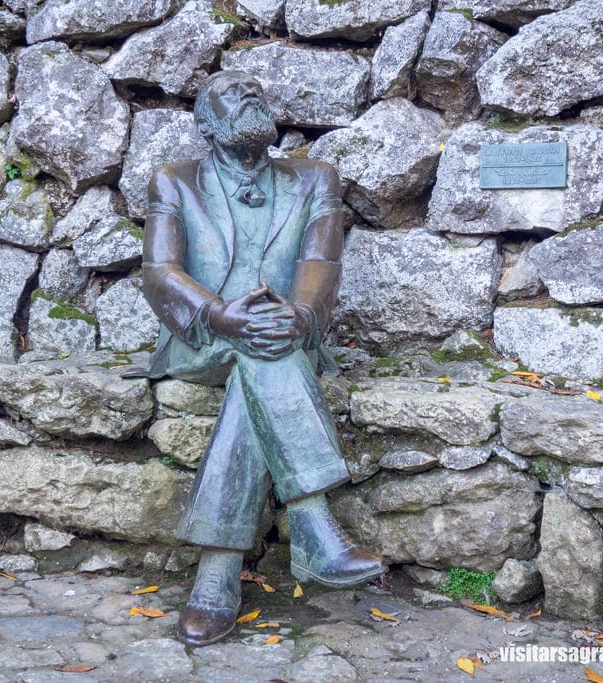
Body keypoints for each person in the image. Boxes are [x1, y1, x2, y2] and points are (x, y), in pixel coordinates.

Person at [141, 69, 385, 647]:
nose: (249, 91)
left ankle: (217, 575)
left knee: (267, 359)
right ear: (205, 123)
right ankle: (315, 527)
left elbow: (322, 263)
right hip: (205, 334)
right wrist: (223, 315)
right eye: (231, 92)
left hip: (285, 335)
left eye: (256, 87)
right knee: (264, 356)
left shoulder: (314, 178)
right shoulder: (174, 182)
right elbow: (160, 272)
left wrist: (301, 315)